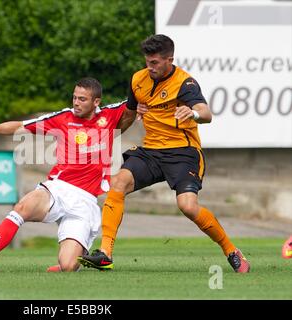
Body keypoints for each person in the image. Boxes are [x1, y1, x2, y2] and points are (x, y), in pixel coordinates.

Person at [78, 34, 251, 273]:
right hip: (151, 151)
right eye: (148, 61)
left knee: (188, 206)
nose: (150, 67)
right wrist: (104, 138)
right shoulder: (138, 79)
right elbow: (128, 115)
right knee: (118, 182)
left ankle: (231, 250)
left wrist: (193, 114)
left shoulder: (185, 83)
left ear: (170, 59)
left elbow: (206, 113)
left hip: (183, 152)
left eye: (155, 62)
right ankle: (105, 253)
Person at [0, 77, 136, 272]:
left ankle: (69, 261)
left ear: (96, 102)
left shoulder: (109, 115)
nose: (76, 103)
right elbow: (21, 126)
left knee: (68, 265)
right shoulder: (63, 118)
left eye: (82, 99)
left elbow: (138, 98)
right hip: (59, 187)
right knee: (23, 206)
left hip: (85, 201)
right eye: (74, 98)